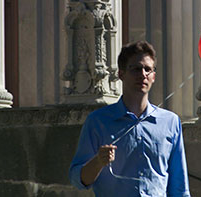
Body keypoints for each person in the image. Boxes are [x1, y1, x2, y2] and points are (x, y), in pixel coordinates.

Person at [69, 41, 191, 197]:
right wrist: (98, 161)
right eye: (135, 69)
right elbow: (77, 180)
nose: (142, 75)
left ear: (154, 76)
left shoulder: (170, 122)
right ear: (121, 74)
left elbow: (179, 188)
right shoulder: (98, 121)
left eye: (148, 69)